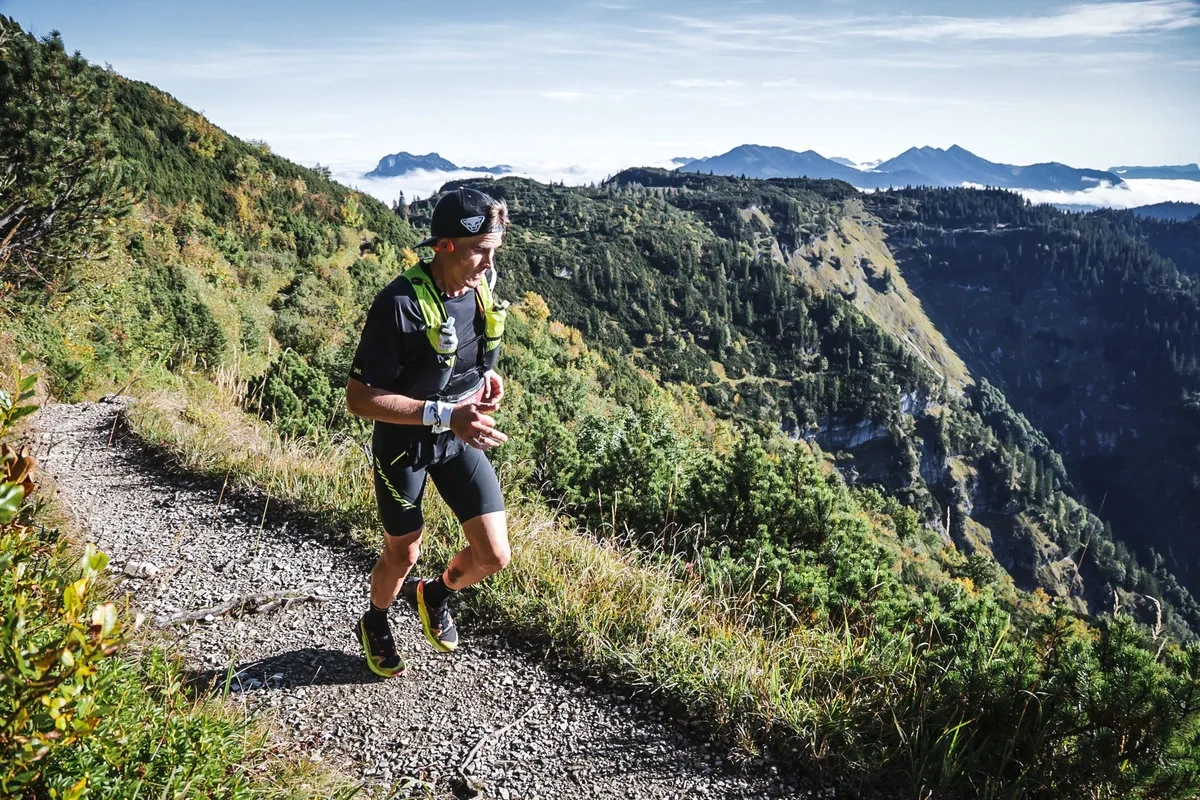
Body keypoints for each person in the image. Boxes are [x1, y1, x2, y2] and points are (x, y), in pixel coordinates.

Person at [346, 186, 512, 678]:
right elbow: (360, 398)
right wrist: (446, 415)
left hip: (458, 438)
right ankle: (375, 620)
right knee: (404, 549)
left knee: (494, 555)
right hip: (405, 446)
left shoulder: (479, 288)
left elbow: (462, 358)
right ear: (443, 246)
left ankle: (434, 594)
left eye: (494, 249)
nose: (488, 262)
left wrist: (486, 381)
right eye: (479, 250)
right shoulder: (399, 305)